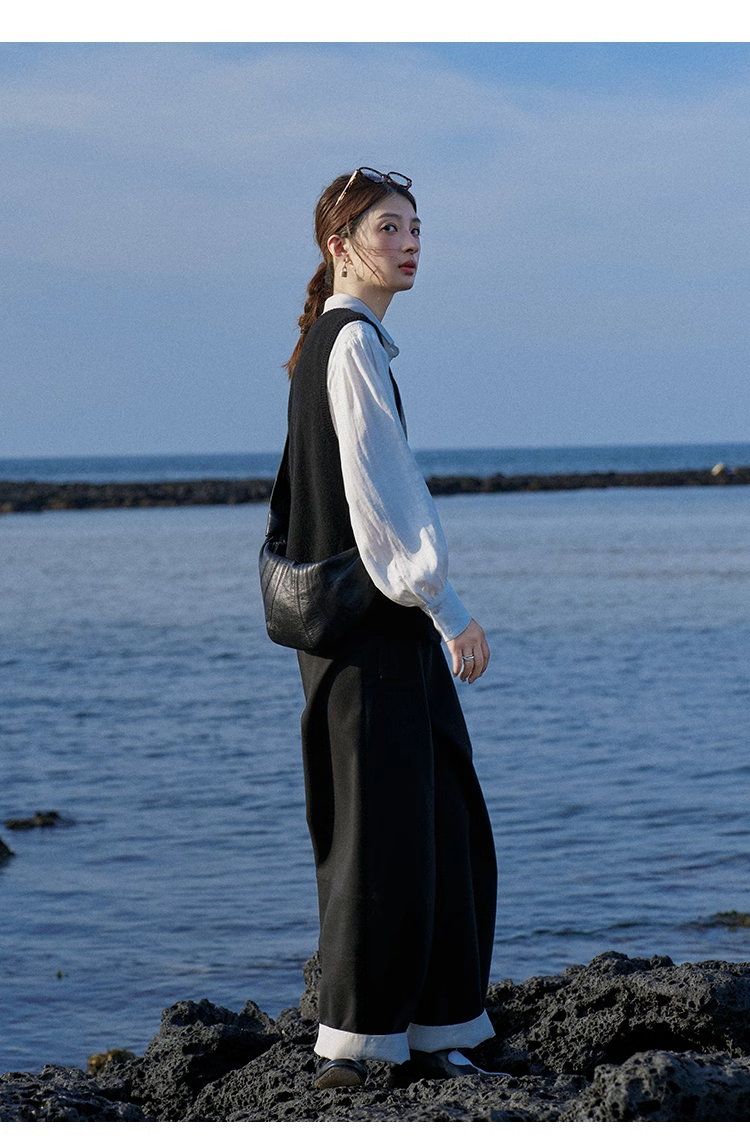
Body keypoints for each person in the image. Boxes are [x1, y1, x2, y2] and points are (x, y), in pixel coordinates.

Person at [281, 168, 501, 1089]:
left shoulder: (335, 343)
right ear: (341, 245)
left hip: (359, 634)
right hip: (375, 631)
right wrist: (448, 609)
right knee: (381, 836)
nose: (409, 243)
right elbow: (383, 498)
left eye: (415, 228)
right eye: (388, 227)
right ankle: (361, 1045)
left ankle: (436, 1027)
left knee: (431, 821)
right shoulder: (349, 346)